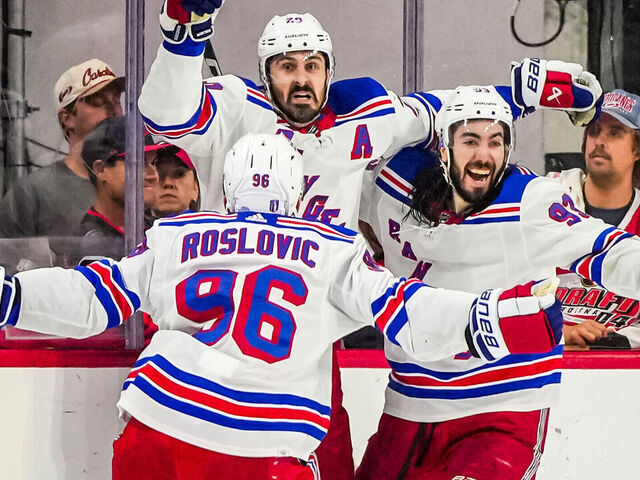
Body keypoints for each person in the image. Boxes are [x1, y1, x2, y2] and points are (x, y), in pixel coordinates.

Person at [139, 3, 601, 475]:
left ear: (329, 69)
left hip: (310, 339)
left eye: (312, 66)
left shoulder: (365, 114)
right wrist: (183, 38)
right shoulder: (237, 108)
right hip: (219, 335)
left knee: (333, 462)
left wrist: (521, 97)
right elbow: (165, 115)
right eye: (286, 66)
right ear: (264, 73)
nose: (301, 79)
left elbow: (444, 114)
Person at [0, 132, 562, 480]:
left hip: (158, 431)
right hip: (265, 448)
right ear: (297, 196)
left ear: (226, 194)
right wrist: (507, 318)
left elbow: (92, 298)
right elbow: (411, 314)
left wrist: (12, 297)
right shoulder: (331, 248)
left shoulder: (176, 235)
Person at [357, 85, 640, 480]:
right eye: (470, 140)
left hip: (503, 408)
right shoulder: (394, 187)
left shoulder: (530, 202)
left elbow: (610, 251)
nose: (484, 155)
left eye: (495, 142)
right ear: (443, 147)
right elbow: (332, 198)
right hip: (410, 405)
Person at [548, 89, 640, 349]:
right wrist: (560, 332)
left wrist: (621, 340)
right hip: (546, 365)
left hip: (621, 374)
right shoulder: (546, 199)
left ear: (637, 150)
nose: (600, 141)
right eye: (594, 130)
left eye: (615, 133)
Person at [0, 58, 124, 237]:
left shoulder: (138, 183)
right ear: (67, 118)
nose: (115, 110)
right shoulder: (31, 194)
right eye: (98, 101)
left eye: (117, 100)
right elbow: (9, 259)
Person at [79, 116, 163, 260]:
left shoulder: (156, 228)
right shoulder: (91, 243)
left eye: (154, 162)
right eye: (138, 162)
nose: (153, 175)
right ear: (101, 169)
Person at [152, 145, 201, 218]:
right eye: (159, 174)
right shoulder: (130, 228)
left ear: (195, 189)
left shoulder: (214, 227)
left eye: (179, 174)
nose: (167, 183)